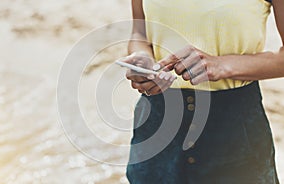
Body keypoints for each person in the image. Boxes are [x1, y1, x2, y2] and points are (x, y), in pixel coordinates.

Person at [120, 0, 284, 183]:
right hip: (157, 125)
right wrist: (143, 61)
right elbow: (139, 34)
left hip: (234, 129)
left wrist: (222, 65)